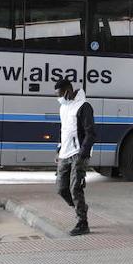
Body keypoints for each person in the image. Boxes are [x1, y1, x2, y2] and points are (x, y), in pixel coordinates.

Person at [54, 78, 96, 236]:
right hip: (64, 153)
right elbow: (63, 130)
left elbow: (91, 133)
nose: (59, 97)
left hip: (78, 154)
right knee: (61, 189)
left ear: (68, 91)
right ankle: (81, 207)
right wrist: (58, 150)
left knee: (75, 188)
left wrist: (83, 153)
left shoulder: (84, 106)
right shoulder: (63, 107)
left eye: (60, 94)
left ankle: (82, 223)